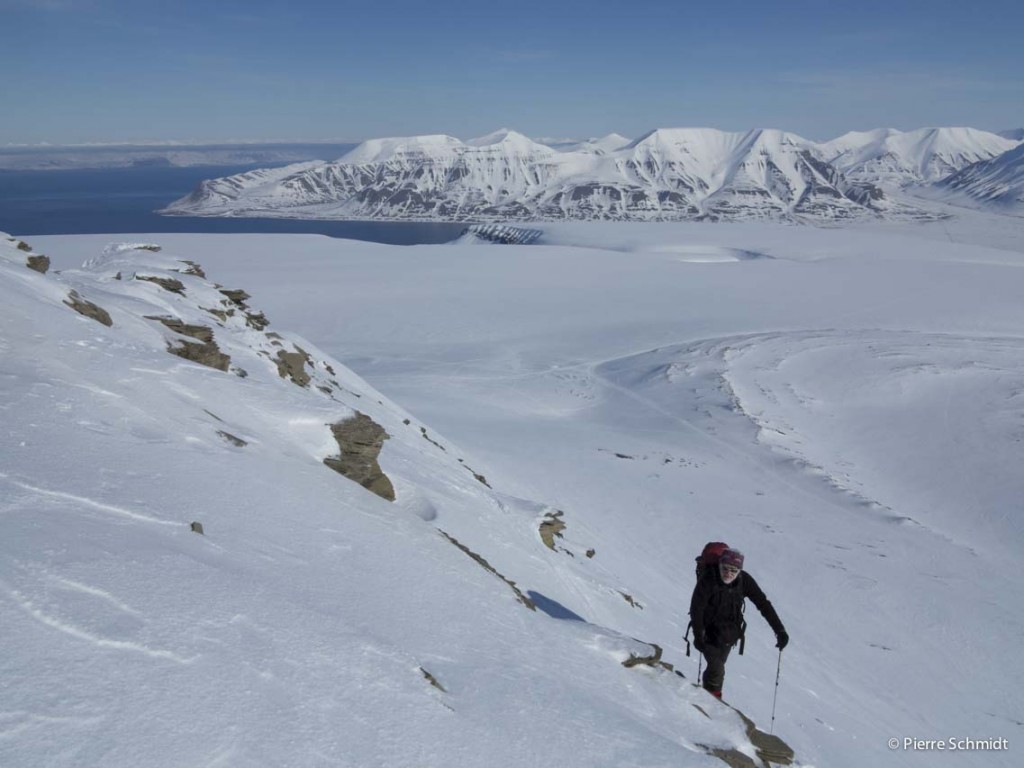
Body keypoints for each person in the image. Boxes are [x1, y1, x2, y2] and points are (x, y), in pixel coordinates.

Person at [688, 548, 788, 698]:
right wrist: (698, 635)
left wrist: (779, 630)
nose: (728, 573)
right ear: (719, 566)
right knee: (717, 669)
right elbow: (697, 608)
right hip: (707, 632)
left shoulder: (744, 581)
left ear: (739, 571)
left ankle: (708, 698)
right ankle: (714, 701)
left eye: (733, 570)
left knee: (718, 667)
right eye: (725, 569)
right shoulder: (709, 579)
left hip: (728, 634)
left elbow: (763, 604)